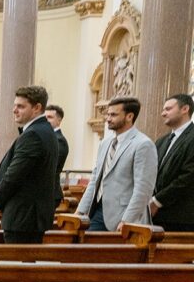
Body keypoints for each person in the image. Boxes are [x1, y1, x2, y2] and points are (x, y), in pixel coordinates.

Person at [76, 97, 156, 231]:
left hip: (123, 216)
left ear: (129, 116)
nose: (108, 118)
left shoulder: (143, 144)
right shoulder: (105, 143)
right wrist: (80, 211)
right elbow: (96, 179)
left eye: (113, 115)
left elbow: (143, 189)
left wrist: (127, 220)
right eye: (108, 114)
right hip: (97, 210)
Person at [0, 86, 58, 244]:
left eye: (21, 106)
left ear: (37, 108)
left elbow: (14, 176)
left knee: (17, 266)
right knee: (25, 266)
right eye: (14, 106)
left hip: (23, 216)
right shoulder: (44, 130)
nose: (15, 110)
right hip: (29, 216)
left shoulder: (34, 134)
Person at [150, 93, 194, 231]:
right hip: (156, 215)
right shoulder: (162, 141)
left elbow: (188, 176)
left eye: (168, 109)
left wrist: (158, 201)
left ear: (185, 109)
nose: (163, 113)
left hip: (181, 217)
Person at [45, 104, 70, 205]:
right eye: (44, 117)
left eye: (50, 117)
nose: (46, 120)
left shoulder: (59, 140)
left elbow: (51, 167)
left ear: (59, 121)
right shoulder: (47, 137)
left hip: (49, 192)